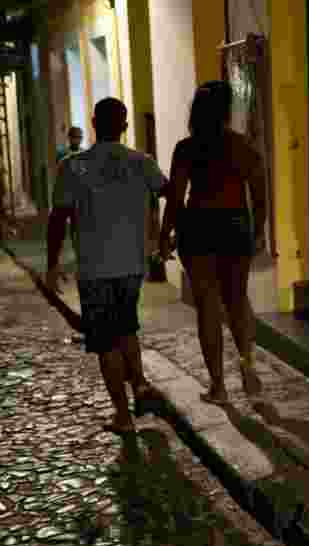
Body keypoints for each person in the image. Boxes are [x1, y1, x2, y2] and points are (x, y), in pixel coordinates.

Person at [46, 99, 165, 435]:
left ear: (94, 123)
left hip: (95, 268)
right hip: (131, 265)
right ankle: (140, 383)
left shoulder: (72, 166)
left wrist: (53, 264)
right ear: (125, 126)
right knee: (126, 326)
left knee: (106, 341)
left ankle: (123, 416)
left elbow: (57, 219)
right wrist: (165, 235)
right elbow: (170, 190)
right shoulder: (141, 162)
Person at [158, 80, 268, 405]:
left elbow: (176, 198)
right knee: (237, 300)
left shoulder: (187, 148)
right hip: (235, 227)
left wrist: (165, 235)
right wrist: (258, 230)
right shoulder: (243, 146)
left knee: (207, 307)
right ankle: (247, 362)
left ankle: (219, 386)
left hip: (199, 230)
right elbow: (260, 195)